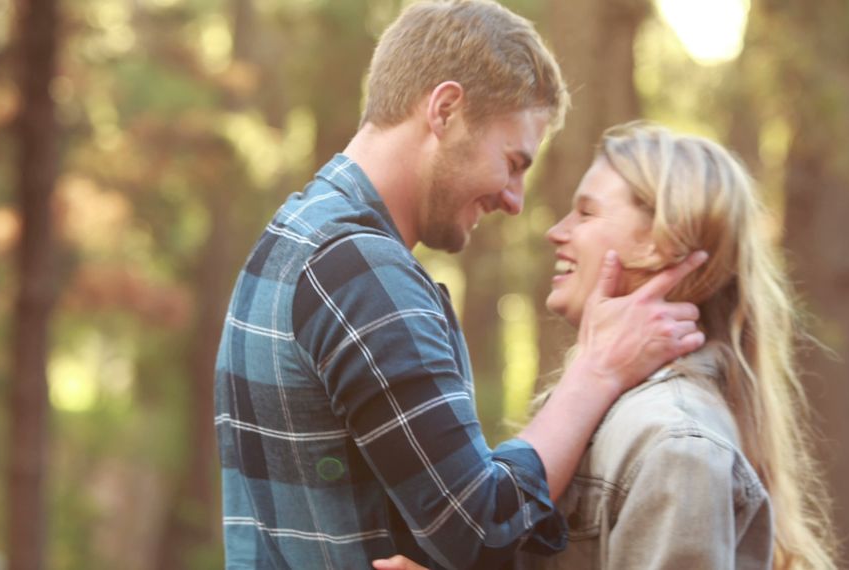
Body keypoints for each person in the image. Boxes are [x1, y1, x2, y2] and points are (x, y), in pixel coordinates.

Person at [214, 3, 706, 568]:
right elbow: (481, 527)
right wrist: (595, 371)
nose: (515, 200)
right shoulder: (359, 271)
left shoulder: (295, 234)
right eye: (514, 161)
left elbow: (428, 517)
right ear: (445, 110)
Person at [375, 123, 839, 570]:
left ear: (662, 242)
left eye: (587, 212)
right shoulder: (610, 409)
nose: (557, 230)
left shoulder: (676, 444)